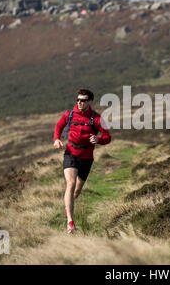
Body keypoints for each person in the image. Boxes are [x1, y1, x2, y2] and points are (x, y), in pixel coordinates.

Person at [53, 89, 111, 233]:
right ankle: (70, 222)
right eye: (78, 99)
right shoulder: (70, 114)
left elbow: (107, 137)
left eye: (83, 100)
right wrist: (56, 139)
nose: (79, 102)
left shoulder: (97, 119)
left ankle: (69, 207)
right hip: (70, 153)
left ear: (89, 102)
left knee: (76, 191)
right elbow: (59, 126)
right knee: (70, 183)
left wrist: (98, 139)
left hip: (86, 157)